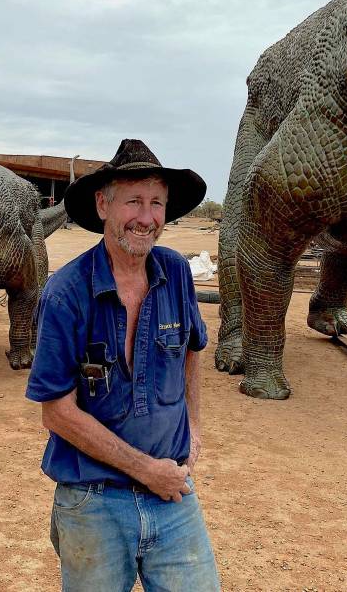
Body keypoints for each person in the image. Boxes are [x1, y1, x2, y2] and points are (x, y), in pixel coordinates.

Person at [25, 139, 220, 591]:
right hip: (93, 499)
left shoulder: (175, 272)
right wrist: (145, 469)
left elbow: (193, 349)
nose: (147, 218)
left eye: (157, 203)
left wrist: (193, 426)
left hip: (172, 494)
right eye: (134, 201)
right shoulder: (65, 293)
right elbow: (56, 411)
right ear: (102, 205)